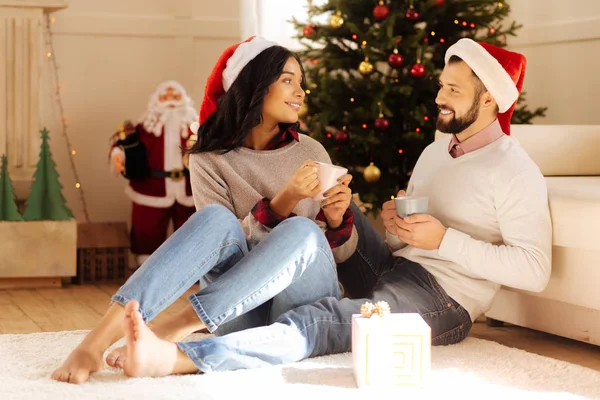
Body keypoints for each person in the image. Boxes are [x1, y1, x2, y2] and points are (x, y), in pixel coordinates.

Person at [88, 37, 552, 377]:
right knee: (327, 225)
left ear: (489, 98)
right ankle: (149, 323)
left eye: (453, 90)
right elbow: (383, 244)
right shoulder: (437, 150)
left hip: (444, 297)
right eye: (442, 85)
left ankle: (181, 356)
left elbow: (535, 270)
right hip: (398, 265)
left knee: (324, 319)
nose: (438, 97)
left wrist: (443, 240)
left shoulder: (514, 170)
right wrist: (389, 225)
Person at [50, 36, 359, 384]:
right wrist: (281, 202)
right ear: (254, 84)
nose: (301, 92)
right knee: (214, 218)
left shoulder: (312, 151)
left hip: (301, 307)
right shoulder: (208, 159)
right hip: (239, 311)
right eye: (288, 80)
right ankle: (95, 343)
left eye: (301, 83)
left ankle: (176, 325)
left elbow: (339, 253)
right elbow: (216, 246)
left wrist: (335, 220)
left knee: (300, 231)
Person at [109, 81, 198, 267]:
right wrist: (118, 155)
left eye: (175, 97)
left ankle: (190, 267)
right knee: (147, 229)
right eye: (165, 97)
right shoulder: (145, 128)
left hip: (189, 188)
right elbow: (122, 144)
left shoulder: (195, 128)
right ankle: (146, 268)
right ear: (156, 101)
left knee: (192, 230)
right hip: (151, 187)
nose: (170, 102)